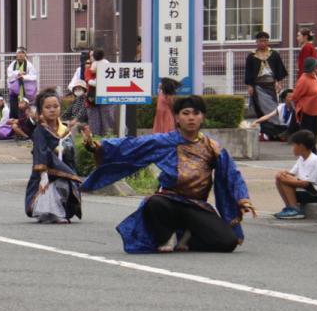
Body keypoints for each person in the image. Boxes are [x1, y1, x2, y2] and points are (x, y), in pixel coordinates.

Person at [81, 95, 255, 253]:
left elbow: (231, 174)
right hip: (169, 202)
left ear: (202, 117)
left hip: (197, 205)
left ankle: (186, 236)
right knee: (154, 202)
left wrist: (243, 198)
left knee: (228, 242)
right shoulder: (165, 141)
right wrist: (97, 146)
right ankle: (166, 234)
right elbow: (132, 145)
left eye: (196, 113)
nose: (191, 118)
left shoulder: (212, 147)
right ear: (177, 118)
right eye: (186, 113)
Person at [26, 90, 82, 223]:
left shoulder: (65, 129)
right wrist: (43, 176)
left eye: (55, 106)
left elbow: (71, 152)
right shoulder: (40, 130)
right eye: (48, 107)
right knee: (51, 187)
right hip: (47, 171)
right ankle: (50, 213)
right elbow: (40, 152)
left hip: (64, 169)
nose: (52, 110)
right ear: (41, 111)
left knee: (66, 186)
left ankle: (61, 211)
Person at [274, 129, 317, 220]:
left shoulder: (313, 161)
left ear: (301, 146)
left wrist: (284, 179)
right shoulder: (302, 158)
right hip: (308, 189)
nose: (292, 148)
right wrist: (283, 173)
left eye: (294, 145)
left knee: (284, 180)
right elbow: (291, 173)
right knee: (281, 178)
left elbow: (305, 183)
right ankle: (290, 207)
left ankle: (295, 209)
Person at [244, 31, 287, 123]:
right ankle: (264, 129)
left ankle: (275, 126)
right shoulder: (251, 56)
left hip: (271, 86)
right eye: (261, 41)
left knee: (272, 106)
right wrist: (250, 86)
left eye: (265, 41)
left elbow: (279, 69)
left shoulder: (274, 54)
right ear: (257, 42)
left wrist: (279, 83)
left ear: (268, 41)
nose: (263, 43)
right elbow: (248, 72)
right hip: (258, 86)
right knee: (260, 107)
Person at [84, 49, 117, 136]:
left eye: (93, 55)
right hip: (92, 101)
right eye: (90, 56)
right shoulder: (88, 69)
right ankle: (96, 145)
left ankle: (109, 143)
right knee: (95, 128)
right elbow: (88, 80)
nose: (93, 58)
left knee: (108, 125)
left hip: (106, 99)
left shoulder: (107, 67)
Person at [292, 57, 317, 140]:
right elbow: (295, 96)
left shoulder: (315, 77)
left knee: (314, 133)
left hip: (316, 111)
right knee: (307, 135)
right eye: (316, 66)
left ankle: (313, 151)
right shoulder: (304, 79)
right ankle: (308, 151)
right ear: (312, 67)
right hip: (307, 112)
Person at [6, 47, 38, 120]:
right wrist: (17, 73)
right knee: (13, 108)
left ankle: (23, 123)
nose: (20, 55)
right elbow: (9, 75)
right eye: (19, 53)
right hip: (14, 91)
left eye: (22, 53)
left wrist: (24, 76)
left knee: (23, 109)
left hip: (25, 92)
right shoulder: (12, 64)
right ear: (16, 54)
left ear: (25, 55)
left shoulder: (29, 65)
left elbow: (33, 76)